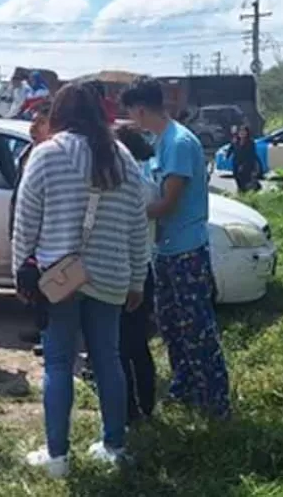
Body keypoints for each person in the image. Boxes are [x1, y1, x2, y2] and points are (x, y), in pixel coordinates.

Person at [14, 81, 150, 478]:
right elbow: (137, 227)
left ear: (60, 114)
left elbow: (26, 221)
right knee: (108, 360)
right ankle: (114, 446)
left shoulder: (47, 155)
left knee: (58, 363)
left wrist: (22, 272)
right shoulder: (123, 157)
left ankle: (57, 457)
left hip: (59, 278)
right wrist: (137, 280)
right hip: (110, 275)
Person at [122, 77, 231, 420]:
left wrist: (127, 215)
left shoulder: (180, 143)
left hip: (186, 250)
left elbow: (167, 202)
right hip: (165, 251)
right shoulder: (161, 141)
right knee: (171, 327)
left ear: (140, 109)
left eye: (132, 114)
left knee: (196, 328)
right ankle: (185, 388)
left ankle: (214, 400)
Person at [113, 124, 160, 425]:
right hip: (144, 270)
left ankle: (129, 410)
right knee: (138, 345)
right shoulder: (148, 184)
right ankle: (146, 405)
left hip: (126, 273)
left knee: (120, 348)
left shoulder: (126, 188)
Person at [11, 100, 54, 355]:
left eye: (40, 122)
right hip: (22, 221)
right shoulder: (27, 152)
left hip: (43, 231)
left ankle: (47, 333)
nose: (33, 127)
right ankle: (39, 328)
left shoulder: (51, 155)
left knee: (47, 283)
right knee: (31, 283)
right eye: (33, 121)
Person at [231, 125, 261, 193]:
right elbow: (232, 148)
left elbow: (251, 155)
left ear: (247, 133)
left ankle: (248, 191)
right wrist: (227, 155)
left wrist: (244, 165)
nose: (242, 133)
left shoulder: (250, 142)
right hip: (236, 163)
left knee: (245, 180)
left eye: (244, 131)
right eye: (240, 131)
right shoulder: (236, 140)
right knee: (237, 178)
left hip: (246, 164)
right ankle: (240, 190)